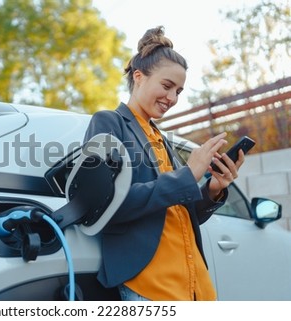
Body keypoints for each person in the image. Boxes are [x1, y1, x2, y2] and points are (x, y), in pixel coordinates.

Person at [83, 26, 244, 301]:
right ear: (139, 77)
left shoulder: (162, 139)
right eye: (167, 86)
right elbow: (105, 205)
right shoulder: (109, 123)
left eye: (179, 91)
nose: (173, 98)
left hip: (194, 284)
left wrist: (213, 190)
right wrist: (188, 175)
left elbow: (179, 214)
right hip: (151, 285)